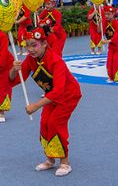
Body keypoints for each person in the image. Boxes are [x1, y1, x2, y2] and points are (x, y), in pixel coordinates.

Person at [18, 27, 82, 177]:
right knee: (44, 123)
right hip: (51, 95)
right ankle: (50, 159)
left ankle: (65, 162)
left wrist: (36, 105)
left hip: (68, 95)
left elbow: (59, 90)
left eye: (34, 45)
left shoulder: (56, 61)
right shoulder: (30, 59)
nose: (30, 49)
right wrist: (15, 69)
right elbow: (15, 79)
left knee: (55, 123)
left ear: (44, 44)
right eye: (27, 45)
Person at [103, 5, 118, 83]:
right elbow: (100, 31)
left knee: (116, 59)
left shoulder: (116, 23)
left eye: (109, 14)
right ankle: (111, 76)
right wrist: (100, 23)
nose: (107, 16)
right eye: (105, 14)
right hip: (112, 44)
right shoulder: (105, 22)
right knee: (109, 60)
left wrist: (108, 41)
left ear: (113, 14)